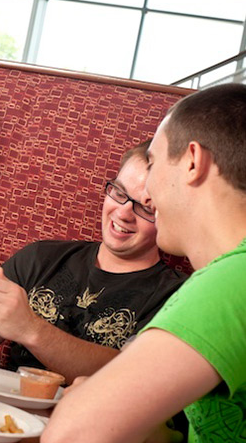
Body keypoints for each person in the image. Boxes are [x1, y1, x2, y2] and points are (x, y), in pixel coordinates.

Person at [42, 83, 246, 443]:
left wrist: (89, 405)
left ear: (192, 162)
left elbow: (71, 434)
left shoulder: (230, 282)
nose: (146, 193)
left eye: (152, 162)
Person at [0, 140, 187, 382]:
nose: (123, 213)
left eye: (147, 208)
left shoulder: (176, 297)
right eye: (119, 193)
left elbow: (131, 378)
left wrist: (29, 328)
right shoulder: (41, 257)